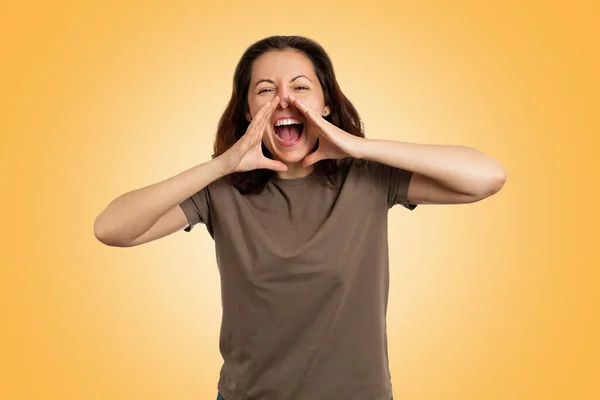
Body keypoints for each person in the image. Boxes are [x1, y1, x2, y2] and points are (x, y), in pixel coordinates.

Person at [94, 35, 506, 400]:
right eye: (266, 90)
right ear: (246, 109)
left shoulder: (368, 178)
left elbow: (486, 178)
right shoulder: (221, 190)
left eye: (301, 87)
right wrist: (221, 165)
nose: (285, 100)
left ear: (326, 102)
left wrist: (361, 147)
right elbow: (111, 229)